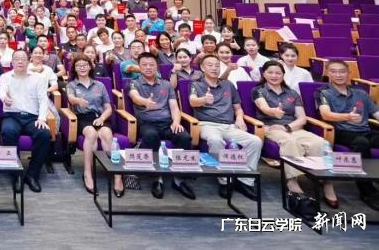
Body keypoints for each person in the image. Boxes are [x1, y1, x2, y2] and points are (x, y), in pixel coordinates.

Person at [252, 60, 337, 206]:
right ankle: (291, 181)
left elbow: (302, 118)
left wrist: (287, 127)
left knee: (320, 143)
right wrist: (273, 112)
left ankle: (326, 181)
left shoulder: (292, 93)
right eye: (270, 72)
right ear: (264, 74)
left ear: (283, 74)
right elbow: (264, 107)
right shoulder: (258, 90)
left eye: (278, 73)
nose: (274, 76)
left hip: (292, 127)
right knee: (290, 142)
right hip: (271, 128)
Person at [188, 54, 262, 200]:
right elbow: (192, 101)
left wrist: (240, 118)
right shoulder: (196, 84)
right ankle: (224, 181)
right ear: (202, 68)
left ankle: (244, 180)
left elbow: (237, 107)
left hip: (229, 126)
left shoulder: (228, 85)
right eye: (210, 65)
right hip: (207, 124)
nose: (214, 68)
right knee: (215, 140)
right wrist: (204, 99)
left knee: (255, 141)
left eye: (217, 65)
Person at [126, 52, 195, 200]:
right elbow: (135, 97)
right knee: (151, 136)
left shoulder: (166, 84)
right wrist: (145, 102)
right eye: (144, 65)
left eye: (151, 64)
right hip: (147, 123)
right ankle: (157, 178)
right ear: (139, 67)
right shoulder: (134, 83)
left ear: (157, 66)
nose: (148, 67)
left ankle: (179, 179)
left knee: (184, 137)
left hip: (167, 123)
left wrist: (176, 122)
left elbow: (174, 107)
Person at [317, 59, 379, 209]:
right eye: (334, 71)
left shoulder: (361, 93)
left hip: (365, 130)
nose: (338, 75)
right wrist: (347, 117)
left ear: (349, 73)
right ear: (328, 73)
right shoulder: (323, 92)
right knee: (361, 143)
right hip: (341, 131)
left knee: (365, 139)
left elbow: (376, 113)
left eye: (342, 71)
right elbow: (325, 114)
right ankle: (367, 191)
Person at [66, 55, 124, 197]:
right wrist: (78, 100)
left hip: (100, 116)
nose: (82, 68)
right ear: (74, 68)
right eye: (79, 65)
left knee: (106, 134)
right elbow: (70, 98)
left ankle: (117, 175)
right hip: (83, 118)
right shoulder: (71, 85)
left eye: (85, 65)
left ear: (90, 67)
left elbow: (108, 108)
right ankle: (88, 173)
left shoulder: (100, 85)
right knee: (91, 133)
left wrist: (102, 118)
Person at [0, 49, 51, 193]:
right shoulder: (5, 77)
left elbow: (43, 100)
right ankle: (16, 174)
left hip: (32, 117)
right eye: (17, 59)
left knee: (44, 134)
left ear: (29, 61)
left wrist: (42, 118)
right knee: (8, 131)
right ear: (12, 62)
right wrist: (4, 98)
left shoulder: (38, 78)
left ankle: (32, 175)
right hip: (12, 115)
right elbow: (1, 91)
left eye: (23, 59)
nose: (20, 61)